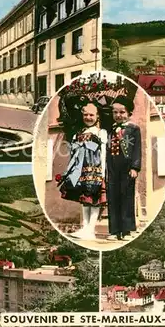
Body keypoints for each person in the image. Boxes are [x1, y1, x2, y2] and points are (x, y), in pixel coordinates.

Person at [58, 97, 107, 240]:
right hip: (81, 170)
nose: (88, 117)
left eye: (91, 115)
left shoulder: (100, 133)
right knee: (85, 200)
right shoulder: (78, 134)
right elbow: (74, 154)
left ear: (97, 116)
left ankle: (91, 230)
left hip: (95, 170)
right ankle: (84, 228)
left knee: (95, 200)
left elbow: (103, 153)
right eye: (85, 115)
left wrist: (103, 172)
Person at [106, 95, 141, 241]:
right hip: (113, 167)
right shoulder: (111, 129)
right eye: (115, 112)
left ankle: (127, 230)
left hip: (127, 168)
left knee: (126, 197)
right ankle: (114, 231)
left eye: (122, 112)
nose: (118, 115)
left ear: (129, 113)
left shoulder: (133, 129)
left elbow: (137, 149)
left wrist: (135, 167)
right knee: (113, 198)